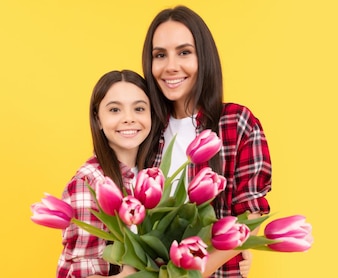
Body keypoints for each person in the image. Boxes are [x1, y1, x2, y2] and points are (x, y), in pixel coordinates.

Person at [141, 5, 272, 278]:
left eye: (184, 52)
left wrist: (196, 271)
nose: (171, 66)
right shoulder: (145, 129)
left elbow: (250, 212)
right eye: (160, 55)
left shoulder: (236, 123)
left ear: (204, 57)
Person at [57, 70, 160, 278]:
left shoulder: (153, 174)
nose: (129, 119)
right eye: (115, 110)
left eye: (139, 108)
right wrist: (134, 272)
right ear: (98, 119)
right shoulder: (88, 183)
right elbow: (81, 274)